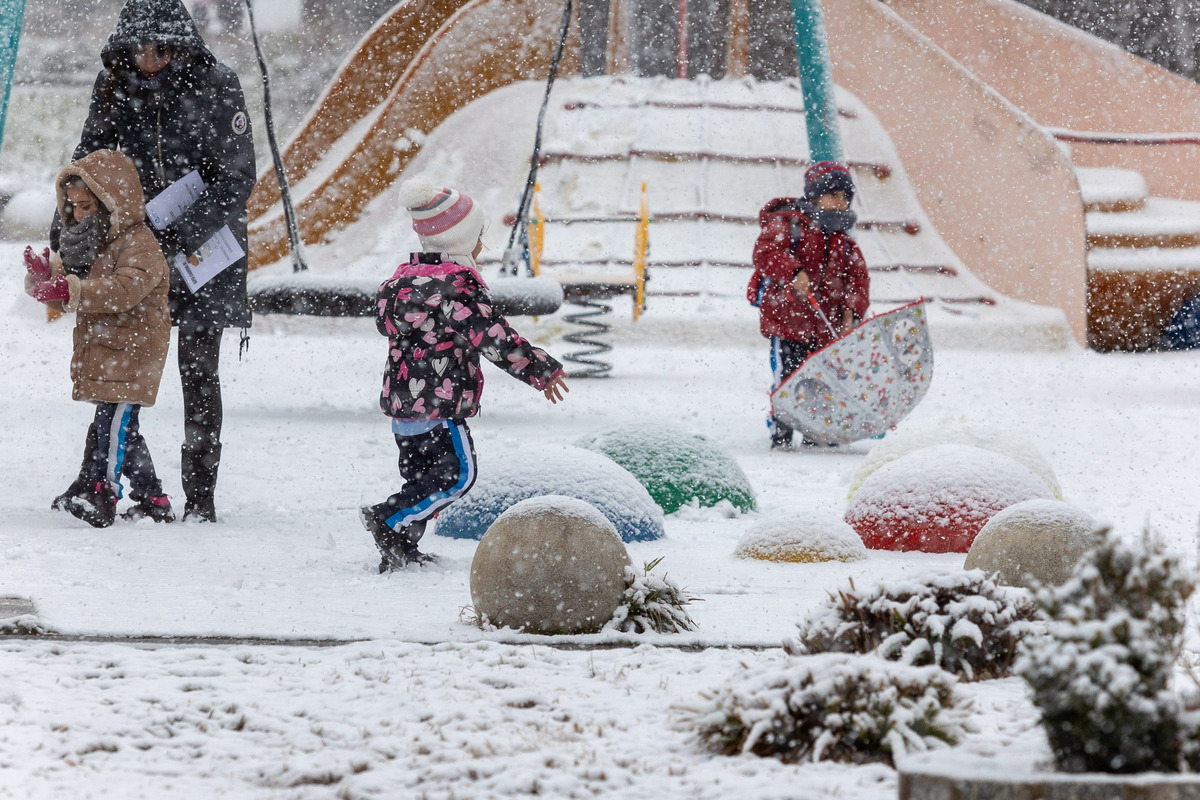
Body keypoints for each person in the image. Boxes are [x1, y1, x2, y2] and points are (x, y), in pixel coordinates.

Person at [54, 0, 256, 522]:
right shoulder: (113, 84)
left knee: (198, 371)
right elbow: (92, 161)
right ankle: (105, 478)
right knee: (119, 364)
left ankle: (201, 497)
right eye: (138, 50)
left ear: (181, 44)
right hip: (135, 250)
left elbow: (235, 178)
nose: (149, 60)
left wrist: (177, 236)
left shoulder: (218, 85)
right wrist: (71, 226)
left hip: (207, 252)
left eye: (160, 49)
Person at [361, 177, 570, 572]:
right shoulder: (458, 287)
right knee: (457, 476)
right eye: (478, 237)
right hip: (439, 404)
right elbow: (494, 338)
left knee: (421, 481)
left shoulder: (400, 282)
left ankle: (402, 547)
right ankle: (388, 520)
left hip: (404, 409)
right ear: (458, 239)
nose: (481, 246)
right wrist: (540, 368)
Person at [26, 150, 173, 527]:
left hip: (133, 352)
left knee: (112, 427)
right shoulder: (95, 242)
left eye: (86, 205)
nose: (77, 214)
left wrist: (71, 288)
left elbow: (122, 290)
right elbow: (78, 289)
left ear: (112, 203)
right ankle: (153, 497)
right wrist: (47, 283)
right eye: (72, 206)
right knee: (118, 428)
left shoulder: (139, 243)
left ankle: (101, 491)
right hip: (110, 351)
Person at [748, 160, 870, 450]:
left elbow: (858, 280)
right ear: (814, 196)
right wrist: (793, 272)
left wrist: (851, 310)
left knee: (822, 382)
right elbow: (765, 253)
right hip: (789, 324)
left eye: (845, 197)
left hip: (825, 331)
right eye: (833, 195)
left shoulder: (844, 243)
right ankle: (782, 432)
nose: (840, 203)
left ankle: (817, 431)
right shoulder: (789, 226)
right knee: (788, 379)